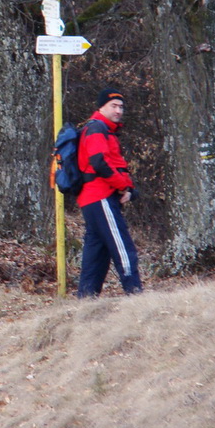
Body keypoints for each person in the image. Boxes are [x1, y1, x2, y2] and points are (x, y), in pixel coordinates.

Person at [76, 88, 143, 297]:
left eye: (121, 106)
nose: (118, 110)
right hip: (100, 196)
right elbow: (100, 162)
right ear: (101, 107)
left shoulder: (104, 130)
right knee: (122, 246)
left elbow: (111, 163)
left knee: (96, 252)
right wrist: (123, 186)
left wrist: (129, 188)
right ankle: (135, 293)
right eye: (113, 106)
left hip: (93, 199)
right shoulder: (97, 129)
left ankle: (86, 299)